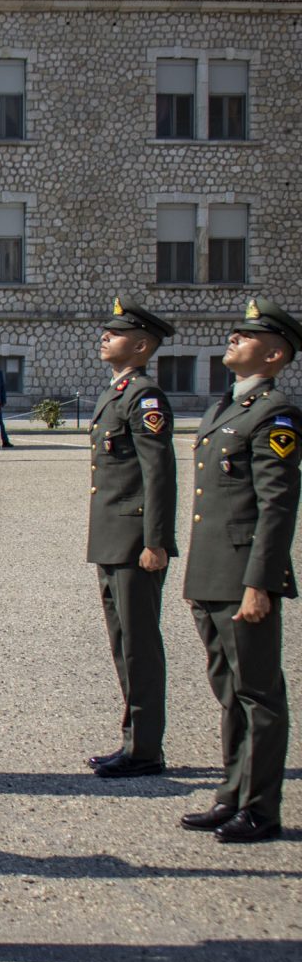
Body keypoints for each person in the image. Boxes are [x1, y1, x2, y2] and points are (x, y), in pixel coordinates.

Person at [179, 298, 300, 844]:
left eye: (245, 337)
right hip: (213, 572)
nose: (232, 340)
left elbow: (277, 506)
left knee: (259, 695)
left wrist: (261, 582)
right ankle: (232, 793)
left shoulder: (275, 415)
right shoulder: (226, 407)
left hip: (243, 575)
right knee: (229, 689)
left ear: (274, 354)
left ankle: (261, 807)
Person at [84, 300, 179, 781]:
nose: (105, 336)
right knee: (123, 642)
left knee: (139, 644)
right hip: (112, 538)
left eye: (116, 333)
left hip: (134, 541)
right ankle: (133, 740)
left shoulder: (145, 398)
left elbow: (158, 473)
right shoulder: (118, 394)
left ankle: (144, 748)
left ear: (141, 346)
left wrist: (156, 541)